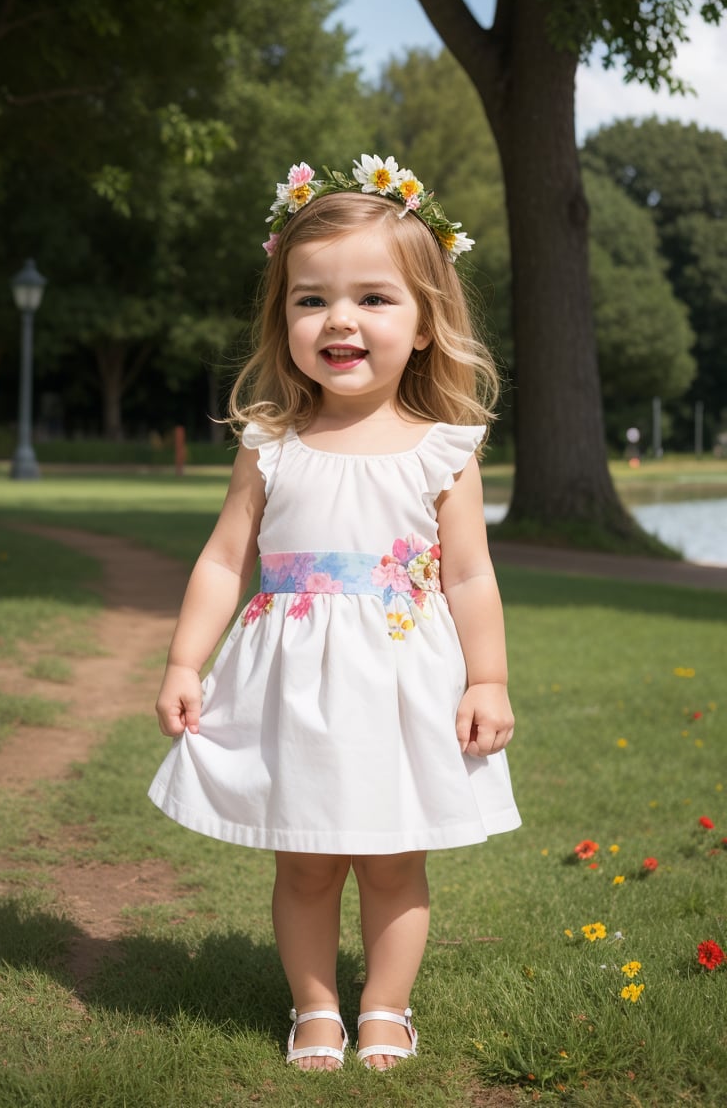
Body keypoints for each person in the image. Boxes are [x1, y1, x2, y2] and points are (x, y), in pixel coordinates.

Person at [149, 154, 520, 1072]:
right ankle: (316, 1008)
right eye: (311, 299)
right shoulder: (272, 444)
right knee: (306, 860)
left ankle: (385, 1007)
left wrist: (488, 677)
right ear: (284, 318)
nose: (339, 319)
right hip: (295, 690)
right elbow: (225, 559)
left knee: (395, 859)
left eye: (373, 298)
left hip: (400, 683)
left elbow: (469, 577)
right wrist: (183, 662)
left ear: (427, 322)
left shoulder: (443, 452)